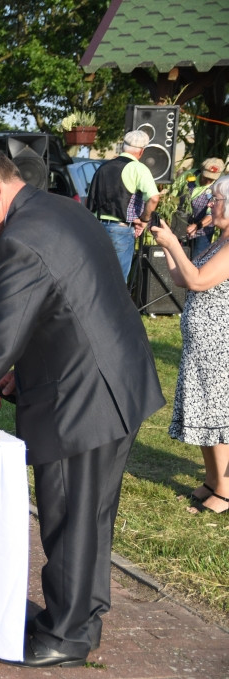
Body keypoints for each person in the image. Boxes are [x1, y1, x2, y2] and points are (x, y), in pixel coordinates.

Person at [0, 149, 165, 668]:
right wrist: (14, 373)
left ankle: (68, 635)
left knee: (68, 511)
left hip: (84, 393)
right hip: (113, 376)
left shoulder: (19, 240)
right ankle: (79, 615)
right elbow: (57, 305)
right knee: (89, 515)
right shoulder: (61, 208)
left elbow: (0, 338)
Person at [150, 175, 229, 515]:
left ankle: (225, 492)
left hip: (218, 345)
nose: (211, 204)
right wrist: (169, 246)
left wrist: (173, 243)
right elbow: (183, 277)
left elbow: (198, 281)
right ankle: (212, 481)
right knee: (202, 412)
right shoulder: (218, 241)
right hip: (201, 345)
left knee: (216, 416)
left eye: (217, 199)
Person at [85, 129, 160, 282]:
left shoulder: (102, 167)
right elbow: (153, 198)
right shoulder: (138, 168)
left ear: (123, 147)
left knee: (96, 279)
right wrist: (144, 220)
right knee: (117, 283)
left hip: (96, 228)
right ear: (142, 151)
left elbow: (91, 200)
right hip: (120, 230)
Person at [184, 158, 224, 254]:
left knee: (197, 260)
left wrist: (197, 226)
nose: (208, 180)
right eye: (206, 176)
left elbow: (211, 215)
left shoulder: (219, 188)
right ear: (201, 170)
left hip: (204, 232)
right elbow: (174, 193)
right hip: (183, 226)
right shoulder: (189, 176)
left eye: (212, 178)